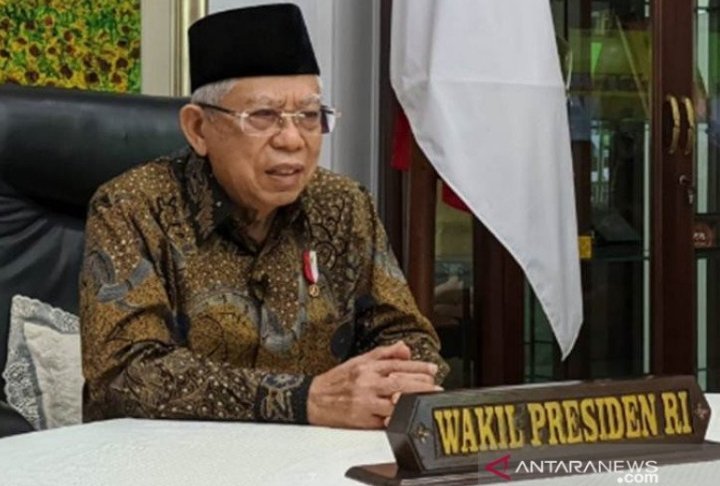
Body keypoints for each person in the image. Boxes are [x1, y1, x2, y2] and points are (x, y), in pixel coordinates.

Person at [80, 3, 448, 429]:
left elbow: (405, 336)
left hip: (320, 454)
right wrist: (303, 400)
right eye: (263, 116)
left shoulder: (344, 204)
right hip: (169, 455)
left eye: (308, 116)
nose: (292, 139)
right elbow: (125, 375)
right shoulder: (132, 207)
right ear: (198, 129)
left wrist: (398, 383)